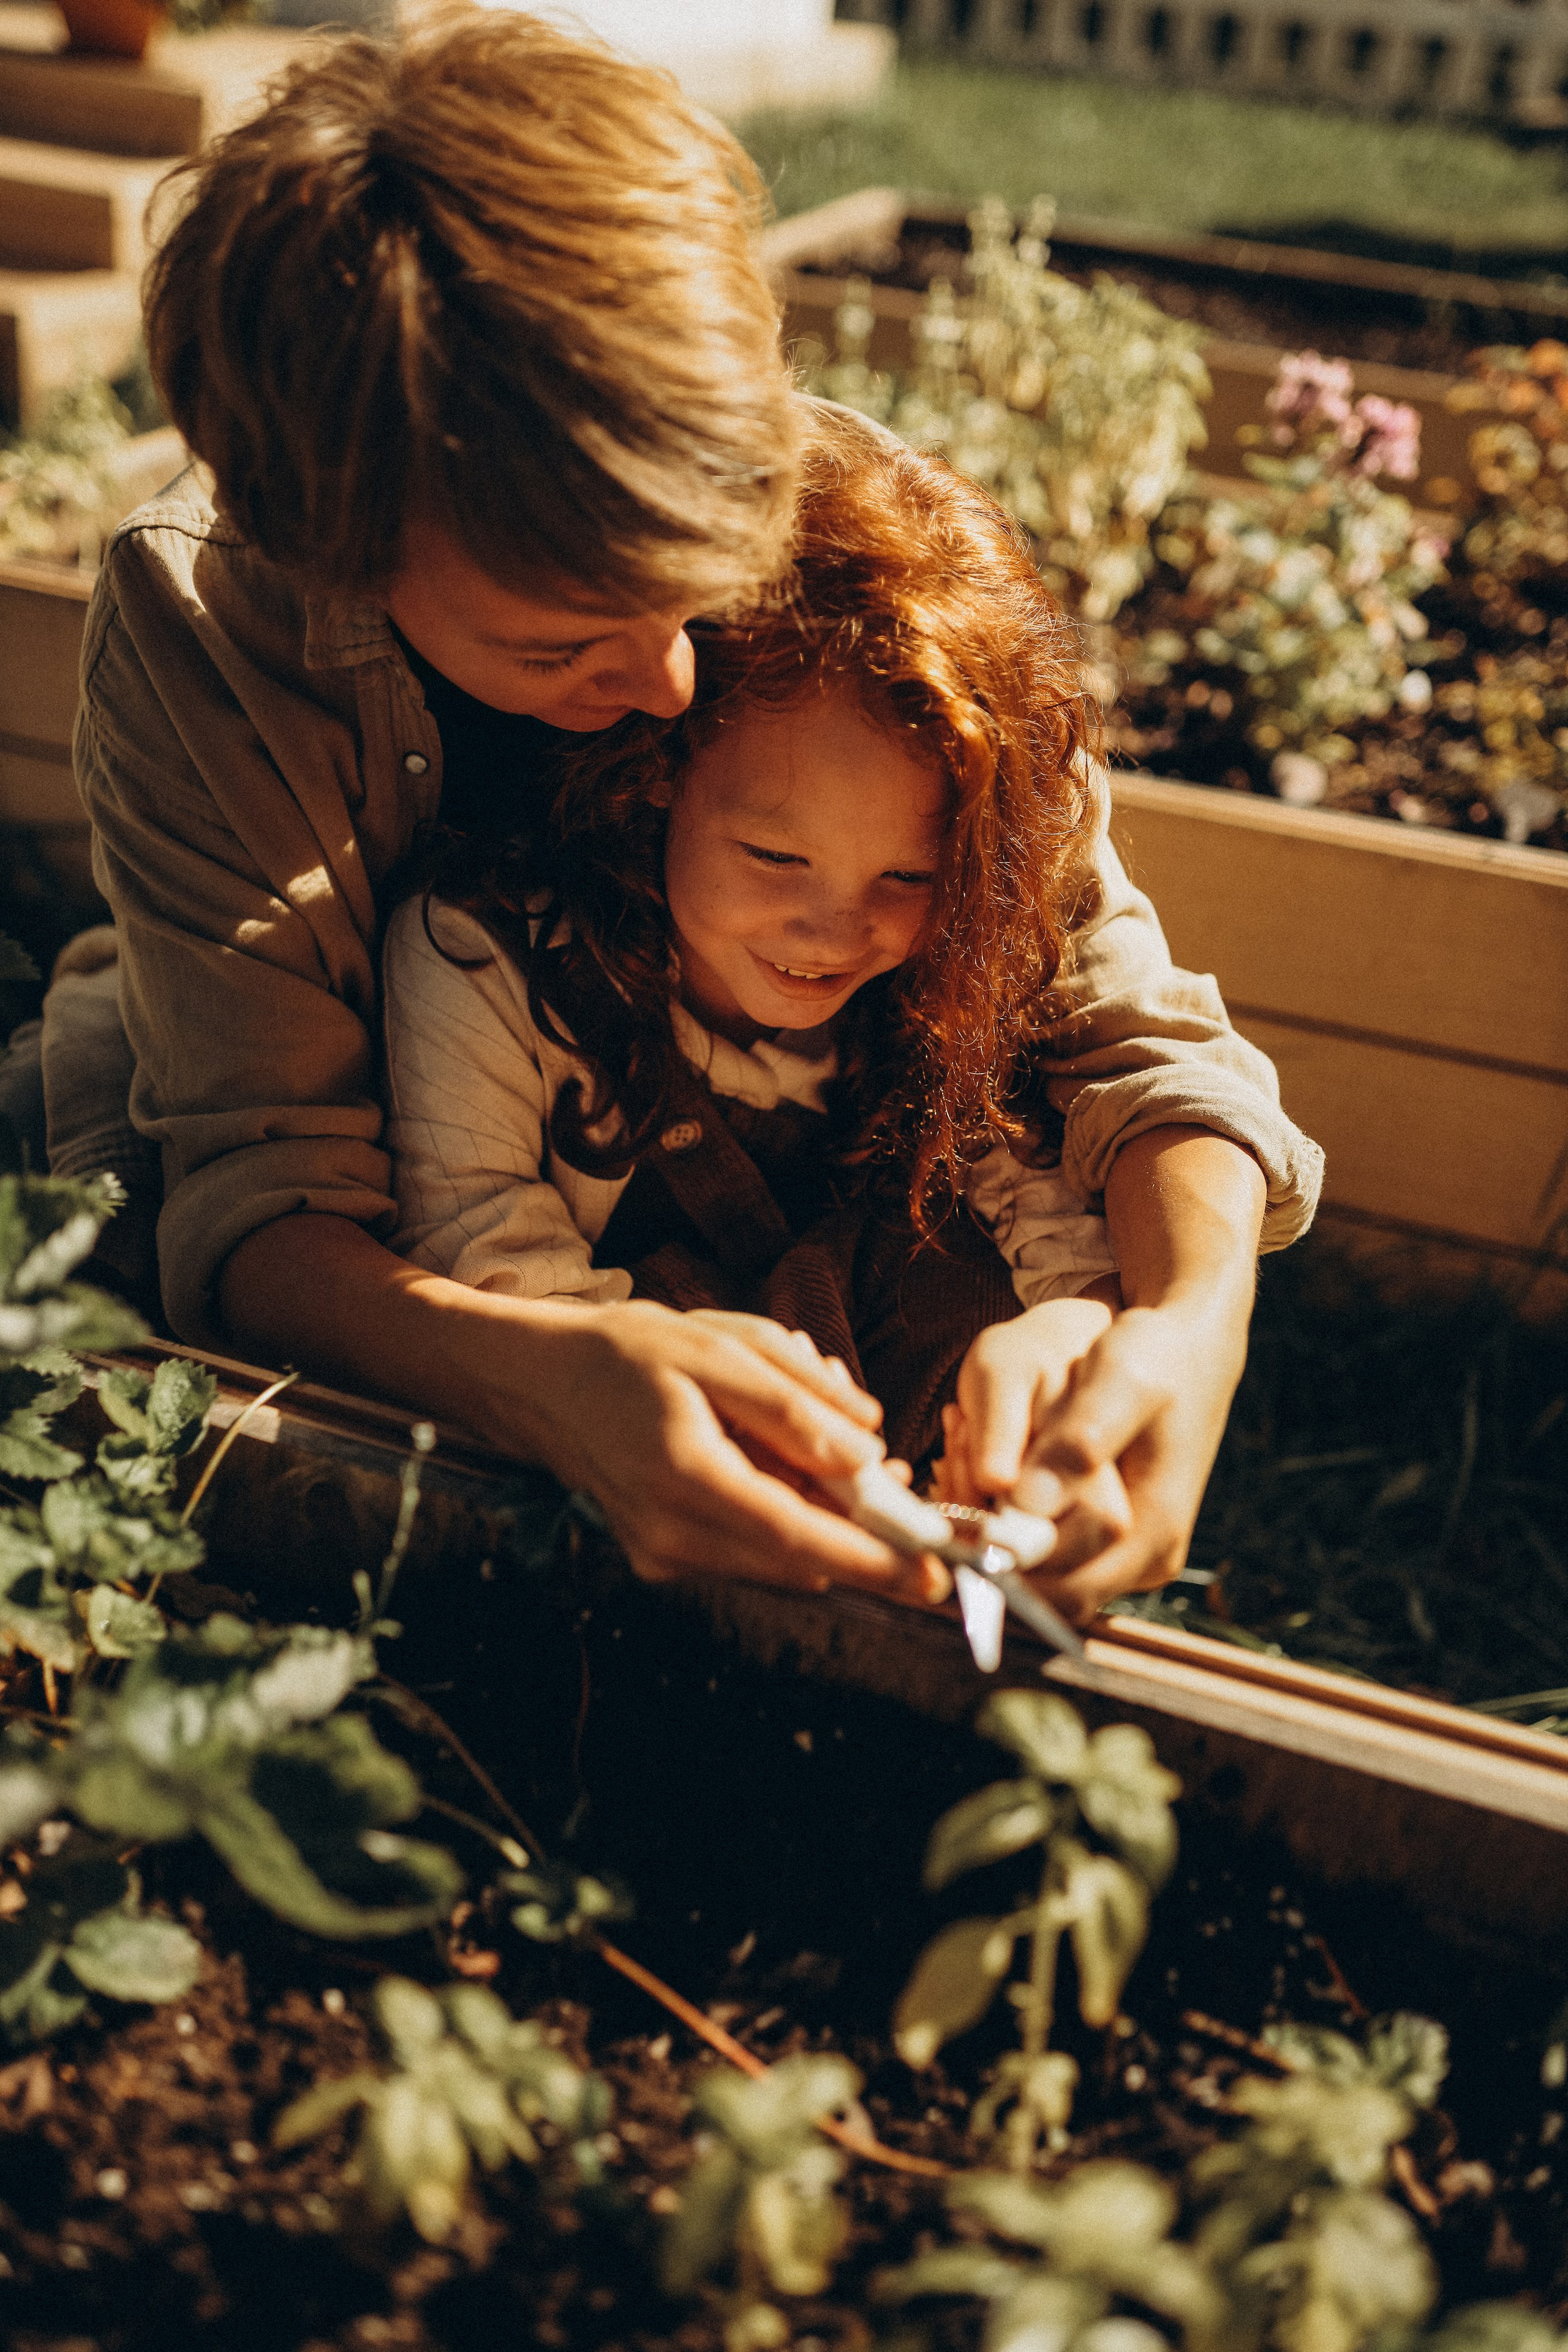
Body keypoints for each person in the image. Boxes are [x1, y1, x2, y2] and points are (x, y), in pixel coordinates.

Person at [64, 9, 1319, 1611]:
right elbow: (266, 1200)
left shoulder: (868, 552)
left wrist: (1187, 1323)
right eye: (559, 640)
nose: (668, 678)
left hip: (758, 1129)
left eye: (699, 588)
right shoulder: (210, 623)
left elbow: (1124, 1030)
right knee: (94, 1201)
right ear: (335, 548)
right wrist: (562, 1382)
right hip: (441, 1174)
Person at [381, 412, 1322, 1611]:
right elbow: (486, 1267)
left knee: (972, 1290)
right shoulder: (487, 958)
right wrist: (671, 1400)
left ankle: (985, 1548)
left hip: (851, 1311)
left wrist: (1076, 1327)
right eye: (775, 857)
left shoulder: (956, 952)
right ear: (662, 767)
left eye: (906, 879)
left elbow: (1025, 1140)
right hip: (626, 1362)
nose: (835, 932)